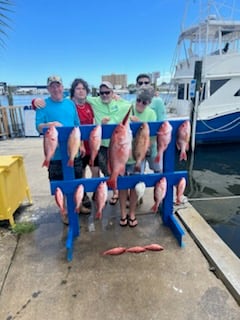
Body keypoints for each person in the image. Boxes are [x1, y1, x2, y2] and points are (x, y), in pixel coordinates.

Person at [34, 75, 82, 224]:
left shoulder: (70, 103)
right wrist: (51, 124)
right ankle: (64, 211)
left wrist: (83, 145)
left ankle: (76, 206)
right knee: (58, 186)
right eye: (52, 86)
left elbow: (77, 124)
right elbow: (39, 127)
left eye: (58, 85)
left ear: (62, 87)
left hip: (73, 151)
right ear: (48, 89)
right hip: (55, 154)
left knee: (77, 182)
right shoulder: (43, 105)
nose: (55, 89)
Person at [87, 81, 132, 205]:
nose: (105, 95)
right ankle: (115, 190)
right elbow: (75, 97)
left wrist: (120, 97)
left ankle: (118, 192)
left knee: (121, 168)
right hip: (102, 144)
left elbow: (131, 105)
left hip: (117, 144)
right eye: (102, 93)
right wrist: (35, 102)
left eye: (108, 92)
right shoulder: (94, 101)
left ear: (112, 93)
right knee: (107, 170)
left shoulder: (120, 102)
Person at [119, 85, 156, 227]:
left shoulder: (151, 114)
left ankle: (132, 213)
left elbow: (152, 137)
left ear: (149, 103)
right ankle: (123, 213)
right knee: (122, 186)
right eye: (139, 100)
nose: (140, 104)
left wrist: (147, 149)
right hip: (124, 155)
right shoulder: (127, 108)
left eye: (144, 102)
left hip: (138, 158)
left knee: (135, 186)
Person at [70, 78, 99, 213]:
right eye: (78, 89)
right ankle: (83, 197)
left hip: (91, 145)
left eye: (83, 89)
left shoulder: (90, 105)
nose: (81, 91)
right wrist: (35, 102)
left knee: (95, 171)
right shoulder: (69, 105)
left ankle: (96, 193)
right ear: (73, 91)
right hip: (77, 146)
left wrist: (115, 96)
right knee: (81, 174)